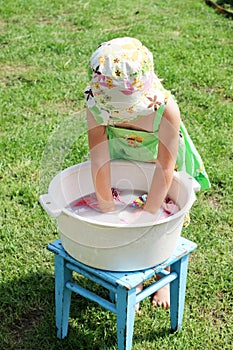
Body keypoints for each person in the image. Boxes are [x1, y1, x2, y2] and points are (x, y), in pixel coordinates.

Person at [84, 37, 210, 309]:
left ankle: (162, 273)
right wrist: (108, 212)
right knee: (122, 202)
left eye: (127, 112)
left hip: (160, 162)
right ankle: (133, 273)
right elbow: (100, 162)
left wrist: (150, 214)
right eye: (115, 113)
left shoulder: (165, 110)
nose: (122, 118)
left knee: (164, 213)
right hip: (122, 156)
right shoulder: (96, 104)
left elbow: (166, 168)